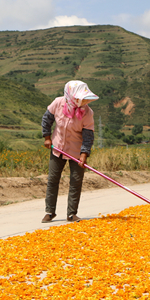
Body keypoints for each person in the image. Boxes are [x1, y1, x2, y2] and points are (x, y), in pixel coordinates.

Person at [41, 80, 98, 223]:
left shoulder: (87, 113)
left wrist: (84, 155)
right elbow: (46, 119)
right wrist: (47, 138)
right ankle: (50, 211)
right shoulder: (58, 103)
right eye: (80, 98)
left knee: (76, 181)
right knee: (53, 180)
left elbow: (88, 136)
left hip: (76, 151)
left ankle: (71, 213)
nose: (84, 101)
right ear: (71, 95)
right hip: (57, 148)